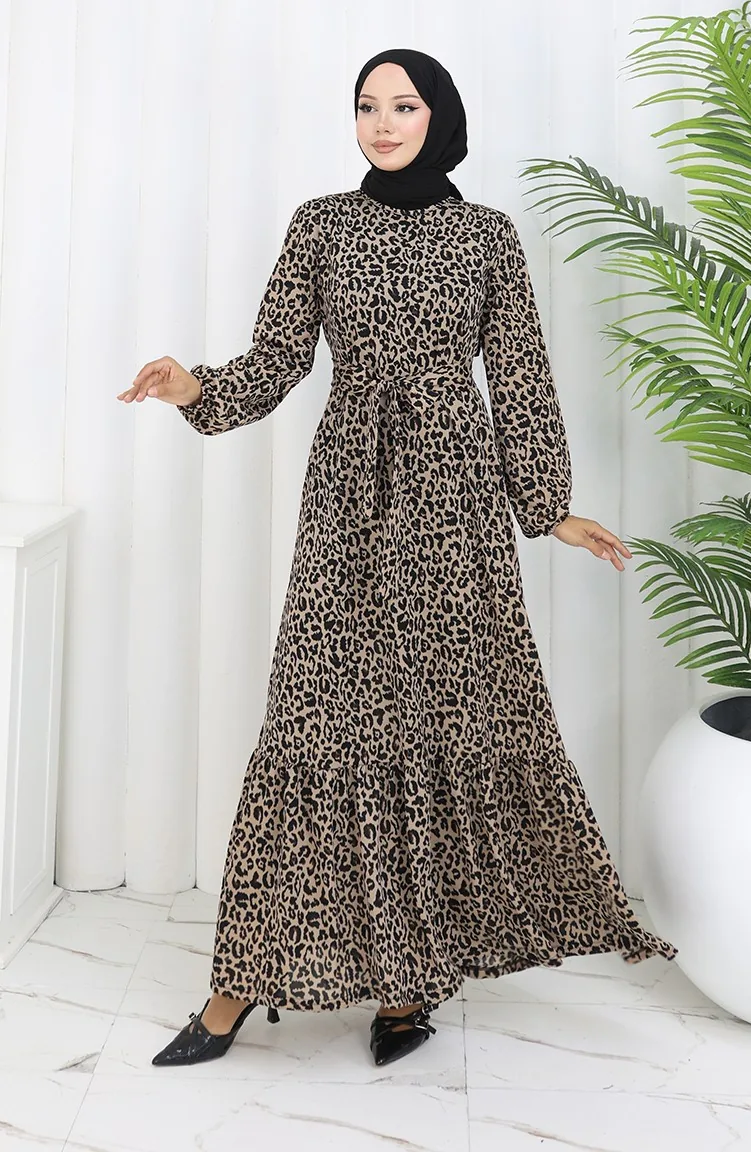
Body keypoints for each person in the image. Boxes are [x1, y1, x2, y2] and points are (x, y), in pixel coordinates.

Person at [118, 47, 678, 1070]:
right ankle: (235, 988)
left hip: (454, 505)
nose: (382, 122)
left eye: (403, 105)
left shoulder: (486, 236)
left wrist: (547, 508)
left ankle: (407, 985)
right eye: (367, 106)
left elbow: (519, 376)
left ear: (438, 118)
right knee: (315, 718)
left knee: (435, 719)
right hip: (347, 499)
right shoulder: (320, 224)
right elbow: (278, 359)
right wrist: (195, 387)